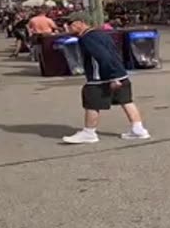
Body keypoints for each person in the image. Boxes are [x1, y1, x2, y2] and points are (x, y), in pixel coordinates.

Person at [60, 14, 151, 144]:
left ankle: (89, 133)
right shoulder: (102, 34)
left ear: (80, 23)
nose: (67, 28)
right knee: (126, 100)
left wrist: (112, 77)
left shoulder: (87, 38)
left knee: (91, 102)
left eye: (70, 25)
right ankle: (138, 129)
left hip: (101, 76)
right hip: (120, 73)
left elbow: (103, 57)